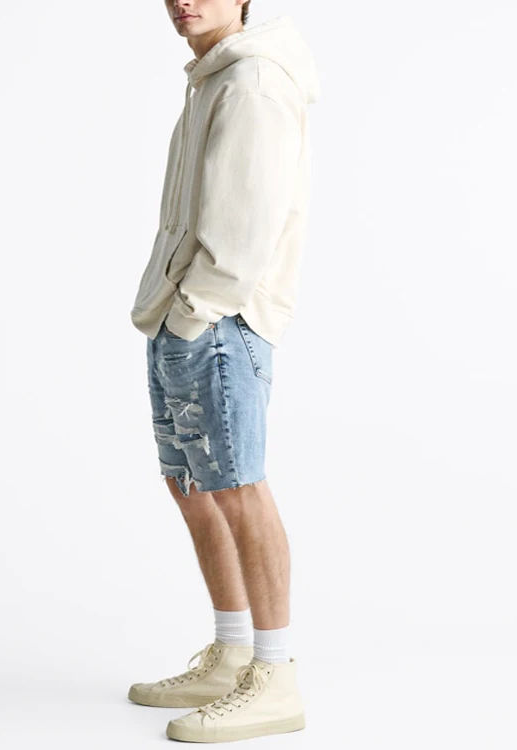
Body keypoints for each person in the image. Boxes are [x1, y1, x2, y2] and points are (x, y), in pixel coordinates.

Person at [128, 1, 320, 742]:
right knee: (192, 485)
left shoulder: (253, 83)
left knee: (238, 487)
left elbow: (244, 232)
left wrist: (194, 313)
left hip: (219, 322)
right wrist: (171, 313)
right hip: (184, 316)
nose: (184, 0)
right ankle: (233, 652)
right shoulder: (213, 77)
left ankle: (274, 678)